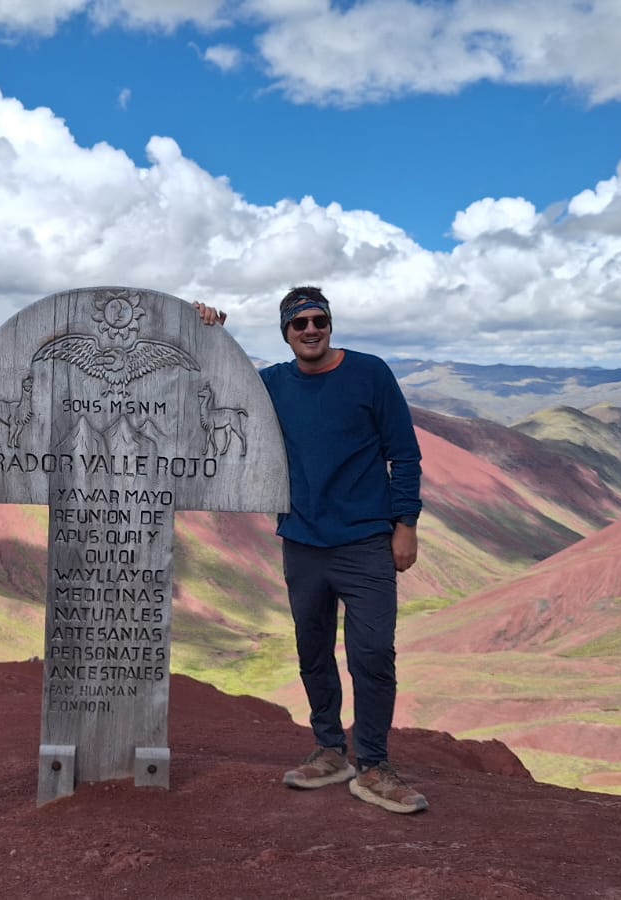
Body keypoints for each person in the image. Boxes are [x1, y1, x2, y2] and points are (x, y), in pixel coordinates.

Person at [196, 287, 427, 814]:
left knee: (372, 654)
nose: (310, 330)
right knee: (313, 651)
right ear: (285, 331)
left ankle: (374, 764)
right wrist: (210, 334)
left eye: (318, 320)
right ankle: (330, 750)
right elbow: (219, 393)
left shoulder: (370, 374)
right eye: (298, 324)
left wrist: (405, 524)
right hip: (302, 543)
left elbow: (404, 455)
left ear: (330, 324)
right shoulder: (274, 383)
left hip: (366, 542)